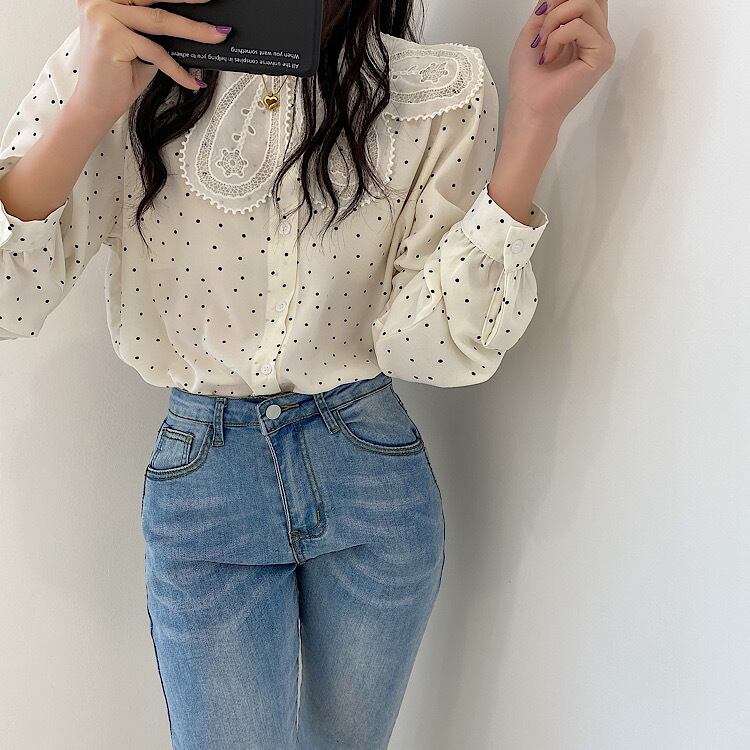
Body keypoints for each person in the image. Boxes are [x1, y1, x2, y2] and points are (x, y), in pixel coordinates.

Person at [0, 0, 615, 747]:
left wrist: (535, 126)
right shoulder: (119, 56)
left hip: (371, 473)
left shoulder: (437, 89)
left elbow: (428, 348)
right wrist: (86, 111)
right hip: (207, 482)